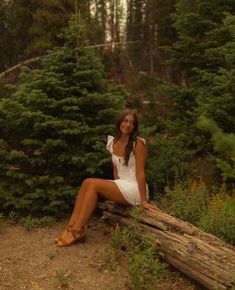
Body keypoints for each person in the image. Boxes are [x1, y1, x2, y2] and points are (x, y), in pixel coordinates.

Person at [56, 110, 160, 247]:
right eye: (125, 121)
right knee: (87, 182)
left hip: (135, 188)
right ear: (120, 122)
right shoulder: (113, 142)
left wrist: (144, 201)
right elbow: (116, 171)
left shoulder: (138, 144)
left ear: (135, 127)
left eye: (132, 123)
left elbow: (140, 173)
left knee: (93, 184)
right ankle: (71, 227)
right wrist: (113, 188)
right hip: (122, 184)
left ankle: (77, 231)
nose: (128, 125)